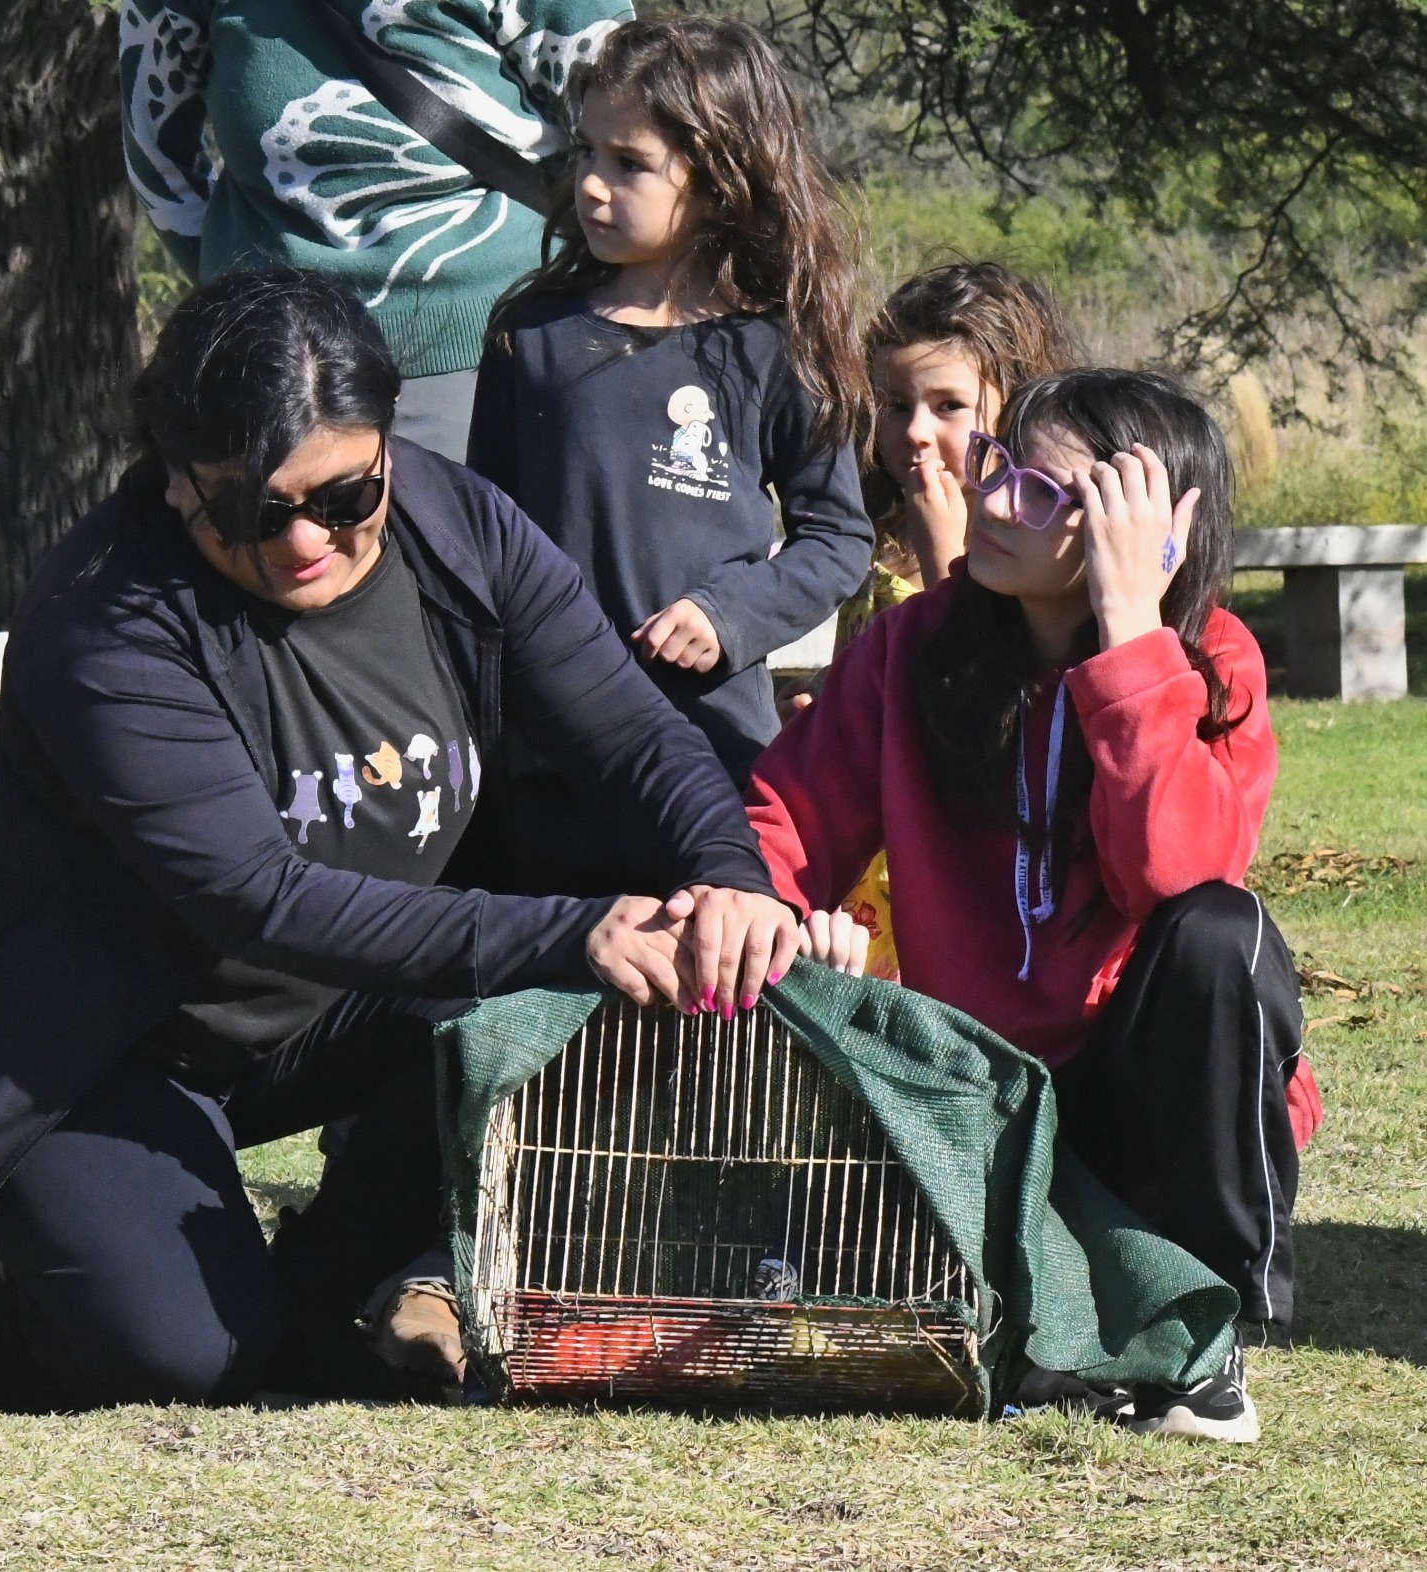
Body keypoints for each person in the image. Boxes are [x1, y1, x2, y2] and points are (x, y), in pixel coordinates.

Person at [0, 268, 800, 1413]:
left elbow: (631, 734)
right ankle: (26, 1275)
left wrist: (728, 878)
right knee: (181, 1359)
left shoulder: (462, 526)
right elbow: (258, 896)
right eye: (255, 510)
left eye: (346, 495)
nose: (307, 540)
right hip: (85, 1043)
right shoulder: (107, 623)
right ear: (175, 476)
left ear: (388, 442)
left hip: (313, 1008)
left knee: (597, 974)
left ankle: (320, 1288)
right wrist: (576, 932)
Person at [753, 368, 1310, 1443]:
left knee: (1220, 935)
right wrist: (765, 910)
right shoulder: (914, 649)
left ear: (1143, 530)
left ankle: (1208, 1333)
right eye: (999, 465)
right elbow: (785, 818)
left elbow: (1175, 873)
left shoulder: (1214, 661)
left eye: (1046, 493)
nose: (995, 500)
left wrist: (1131, 636)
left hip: (1141, 1097)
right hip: (975, 1089)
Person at [464, 16, 875, 891]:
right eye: (586, 152)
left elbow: (838, 539)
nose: (591, 184)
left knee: (705, 969)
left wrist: (727, 616)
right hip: (546, 761)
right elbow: (479, 535)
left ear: (720, 182)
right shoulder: (530, 333)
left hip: (710, 757)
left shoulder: (771, 345)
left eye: (630, 163)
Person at [118, 0, 632, 462]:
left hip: (503, 349)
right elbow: (159, 161)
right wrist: (240, 299)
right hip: (272, 369)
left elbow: (630, 123)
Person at [826, 262, 1083, 980]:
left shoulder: (1034, 552)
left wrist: (947, 561)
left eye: (948, 406)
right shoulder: (878, 538)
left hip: (965, 854)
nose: (915, 431)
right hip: (872, 853)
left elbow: (987, 688)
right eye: (893, 404)